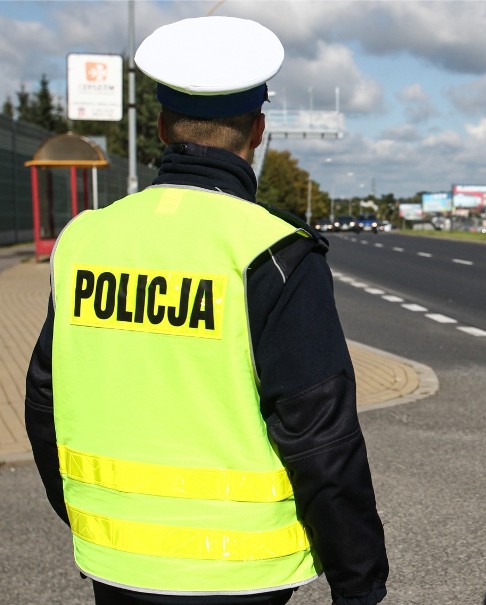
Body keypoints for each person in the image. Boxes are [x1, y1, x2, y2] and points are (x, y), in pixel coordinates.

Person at [24, 16, 388, 605]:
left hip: (117, 564)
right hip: (242, 574)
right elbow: (321, 436)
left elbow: (44, 400)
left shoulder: (84, 240)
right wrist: (360, 581)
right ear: (259, 130)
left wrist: (88, 519)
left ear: (164, 127)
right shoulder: (274, 253)